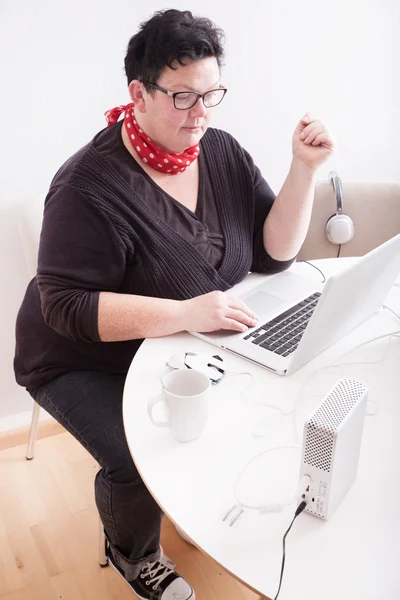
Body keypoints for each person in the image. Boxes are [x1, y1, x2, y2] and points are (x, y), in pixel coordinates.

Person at [14, 8, 335, 600]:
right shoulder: (86, 185)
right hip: (82, 358)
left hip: (181, 343)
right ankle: (133, 554)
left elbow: (274, 254)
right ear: (138, 92)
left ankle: (196, 505)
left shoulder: (219, 151)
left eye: (212, 94)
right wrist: (187, 314)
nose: (202, 114)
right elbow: (65, 306)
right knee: (137, 457)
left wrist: (303, 169)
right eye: (184, 97)